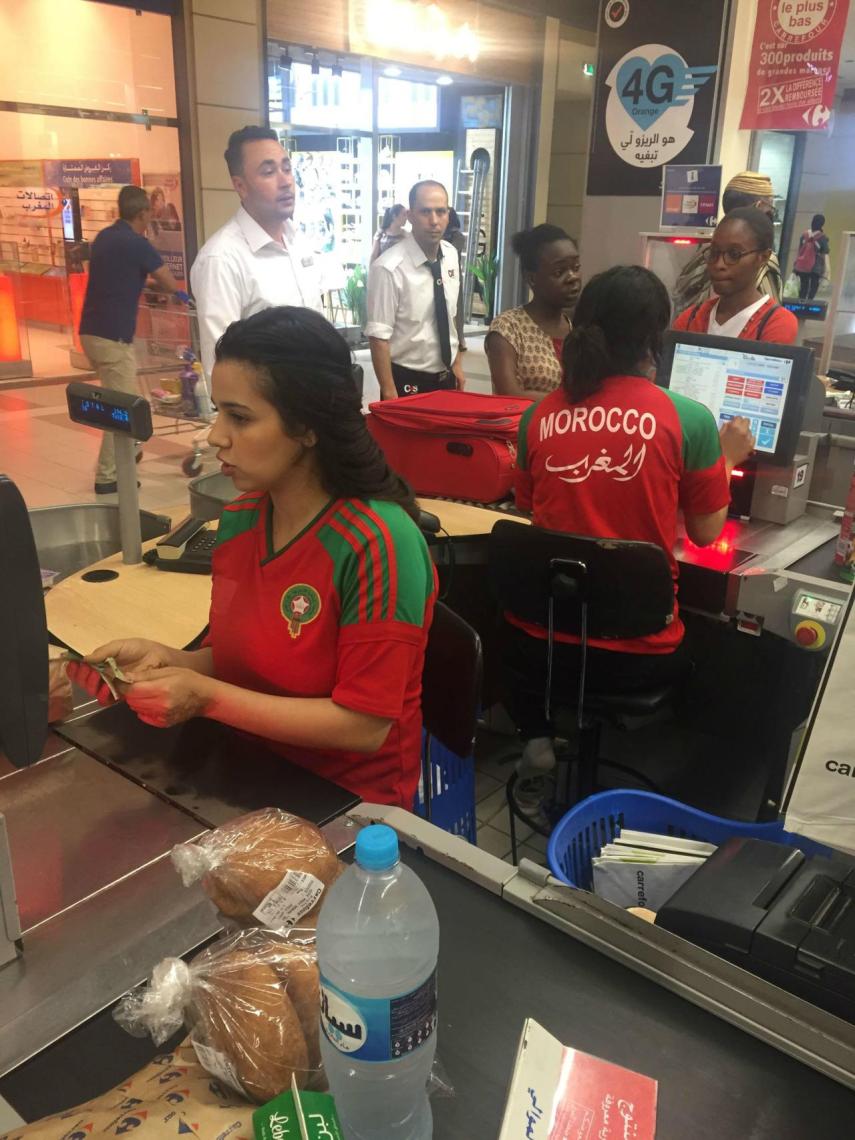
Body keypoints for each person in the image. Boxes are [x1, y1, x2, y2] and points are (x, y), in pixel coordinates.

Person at [67, 306, 438, 809]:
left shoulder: (379, 543)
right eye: (218, 411)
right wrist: (172, 661)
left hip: (347, 805)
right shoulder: (241, 518)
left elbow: (365, 726)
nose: (216, 435)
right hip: (248, 771)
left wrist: (206, 696)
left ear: (308, 427)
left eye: (239, 417)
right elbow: (248, 658)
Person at [507, 266, 754, 778]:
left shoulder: (538, 415)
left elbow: (532, 512)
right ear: (654, 336)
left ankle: (536, 733)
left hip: (539, 647)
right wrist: (726, 460)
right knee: (726, 637)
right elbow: (707, 535)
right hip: (638, 655)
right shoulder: (687, 418)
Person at [191, 126, 332, 392]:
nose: (285, 181)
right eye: (268, 172)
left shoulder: (298, 241)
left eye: (287, 168)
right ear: (240, 186)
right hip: (268, 415)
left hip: (315, 405)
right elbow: (220, 367)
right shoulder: (222, 258)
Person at [79, 185, 188, 495]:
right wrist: (179, 293)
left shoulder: (105, 237)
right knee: (123, 409)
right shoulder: (137, 244)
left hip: (90, 332)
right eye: (149, 213)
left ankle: (130, 449)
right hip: (113, 336)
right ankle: (108, 475)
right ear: (143, 213)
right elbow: (167, 280)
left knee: (118, 397)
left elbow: (120, 273)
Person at [366, 180, 465, 399]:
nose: (434, 221)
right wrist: (389, 392)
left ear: (448, 214)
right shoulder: (388, 268)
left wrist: (456, 361)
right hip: (406, 380)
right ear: (410, 216)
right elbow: (378, 337)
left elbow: (450, 315)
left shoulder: (450, 255)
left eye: (441, 212)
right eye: (425, 212)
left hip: (446, 377)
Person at [673, 209, 798, 344]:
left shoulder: (776, 323)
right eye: (714, 252)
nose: (719, 264)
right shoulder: (690, 319)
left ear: (763, 257)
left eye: (734, 254)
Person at [485, 225, 581, 398]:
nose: (572, 277)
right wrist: (569, 404)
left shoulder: (578, 328)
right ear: (532, 278)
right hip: (524, 424)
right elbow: (509, 394)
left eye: (575, 267)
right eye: (560, 272)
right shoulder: (509, 328)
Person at [672, 172, 782, 313]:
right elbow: (768, 317)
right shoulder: (761, 259)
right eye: (770, 210)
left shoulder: (704, 251)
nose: (720, 264)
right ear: (758, 206)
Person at [444, 207, 468, 352]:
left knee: (456, 306)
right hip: (437, 272)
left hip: (452, 274)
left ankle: (460, 337)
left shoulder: (457, 236)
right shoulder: (438, 234)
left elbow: (449, 253)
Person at [794, 214, 830, 301]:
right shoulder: (822, 237)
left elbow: (800, 251)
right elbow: (826, 252)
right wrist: (827, 271)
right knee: (813, 287)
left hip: (802, 266)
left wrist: (795, 266)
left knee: (803, 286)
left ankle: (801, 304)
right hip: (815, 267)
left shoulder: (804, 235)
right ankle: (809, 304)